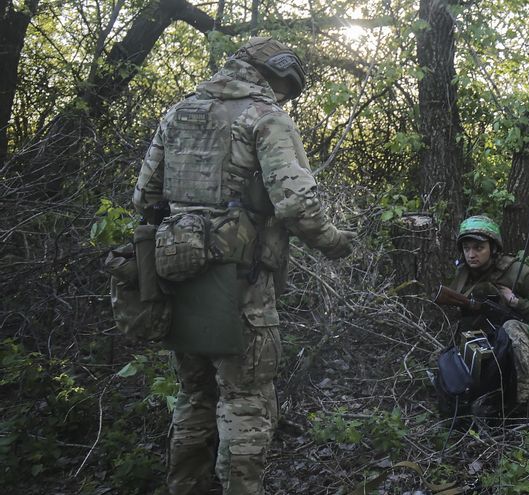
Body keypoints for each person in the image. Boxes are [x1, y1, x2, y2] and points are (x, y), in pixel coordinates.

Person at [132, 37, 354, 494]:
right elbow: (297, 205)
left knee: (195, 394)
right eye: (286, 87)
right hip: (243, 281)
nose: (284, 97)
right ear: (275, 73)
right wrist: (334, 242)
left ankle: (186, 487)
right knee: (247, 398)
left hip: (181, 275)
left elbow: (145, 198)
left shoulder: (179, 112)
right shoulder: (264, 117)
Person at [447, 215, 529, 415]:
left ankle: (524, 399)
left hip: (521, 337)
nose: (471, 254)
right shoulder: (463, 274)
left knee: (512, 328)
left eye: (478, 248)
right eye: (466, 249)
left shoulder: (519, 272)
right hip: (484, 338)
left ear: (493, 247)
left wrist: (516, 301)